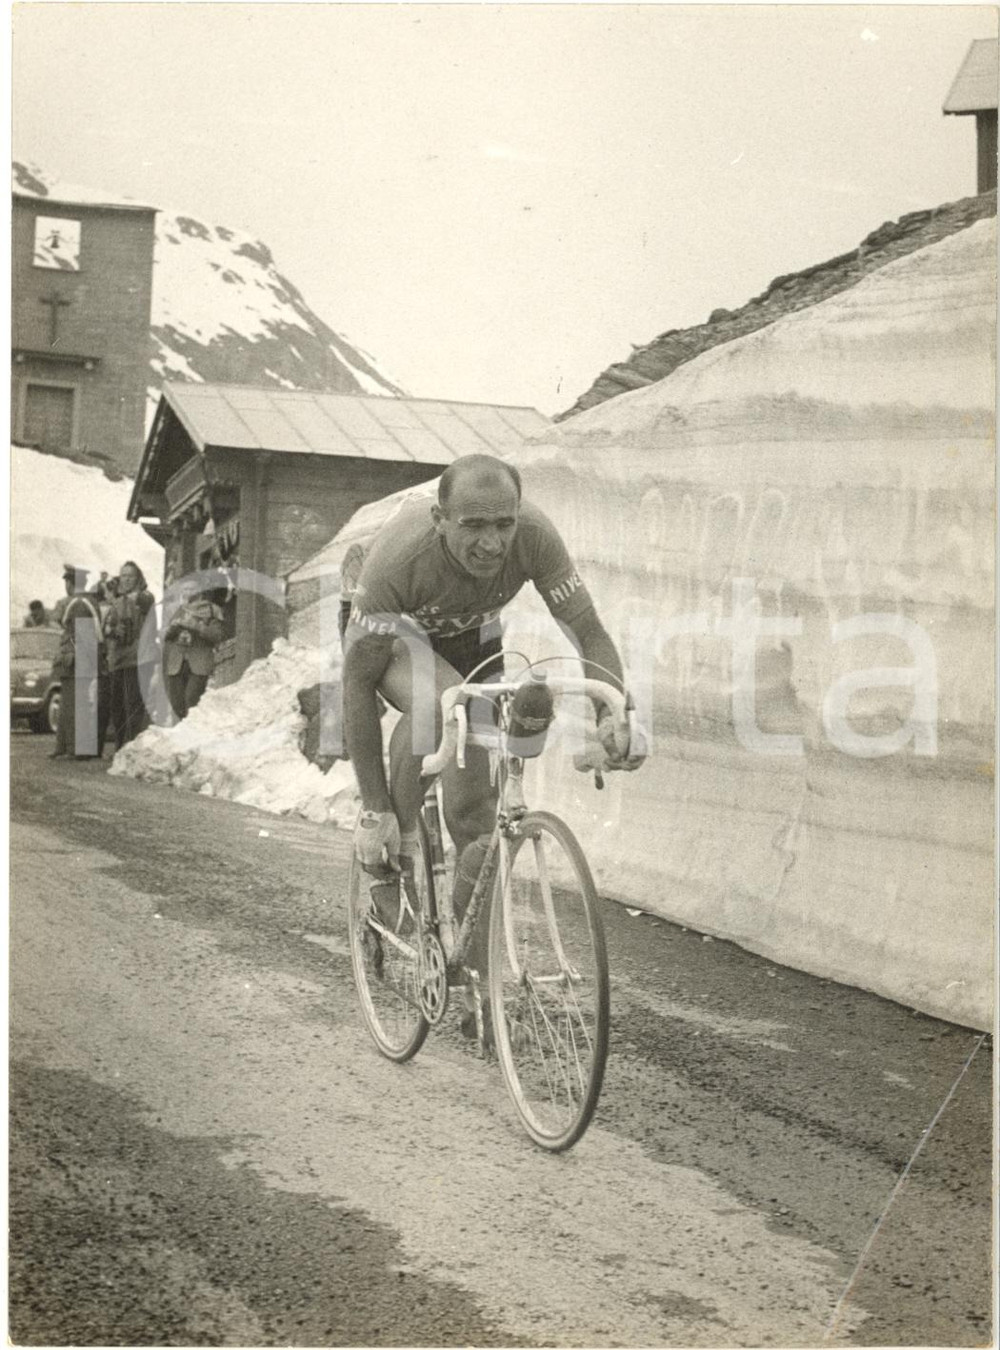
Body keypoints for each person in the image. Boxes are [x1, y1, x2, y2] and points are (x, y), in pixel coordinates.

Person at [342, 453, 644, 1034]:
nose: (492, 543)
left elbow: (588, 631)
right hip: (392, 637)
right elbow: (357, 686)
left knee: (477, 821)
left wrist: (611, 708)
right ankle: (395, 848)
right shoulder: (400, 558)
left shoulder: (533, 535)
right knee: (440, 704)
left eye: (503, 525)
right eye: (473, 526)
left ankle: (479, 982)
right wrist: (376, 808)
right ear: (439, 519)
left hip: (472, 636)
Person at [50, 582, 109, 761]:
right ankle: (69, 747)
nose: (67, 586)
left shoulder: (80, 604)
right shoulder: (87, 603)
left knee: (76, 705)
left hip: (78, 661)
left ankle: (76, 748)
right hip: (79, 660)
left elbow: (80, 634)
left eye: (70, 583)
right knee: (73, 704)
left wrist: (70, 653)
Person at [105, 561, 155, 750]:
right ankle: (120, 748)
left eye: (130, 576)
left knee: (134, 705)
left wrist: (129, 598)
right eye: (123, 575)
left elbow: (145, 602)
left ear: (138, 578)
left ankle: (133, 748)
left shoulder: (145, 596)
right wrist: (113, 629)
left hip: (140, 660)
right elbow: (107, 627)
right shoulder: (117, 602)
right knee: (117, 707)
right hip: (119, 660)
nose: (125, 579)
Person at [162, 580, 224, 721]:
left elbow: (218, 635)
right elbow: (163, 636)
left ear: (200, 591)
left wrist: (197, 627)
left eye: (191, 589)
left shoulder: (212, 609)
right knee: (176, 706)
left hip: (199, 663)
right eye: (184, 589)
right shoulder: (173, 610)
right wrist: (172, 629)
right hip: (176, 664)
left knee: (192, 702)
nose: (187, 592)